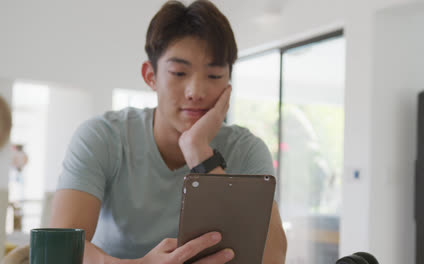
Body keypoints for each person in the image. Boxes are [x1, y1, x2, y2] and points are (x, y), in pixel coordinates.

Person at [50, 1, 287, 263]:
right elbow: (60, 248)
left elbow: (272, 258)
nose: (195, 92)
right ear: (150, 75)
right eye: (179, 73)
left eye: (214, 75)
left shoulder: (246, 149)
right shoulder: (103, 136)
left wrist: (201, 154)